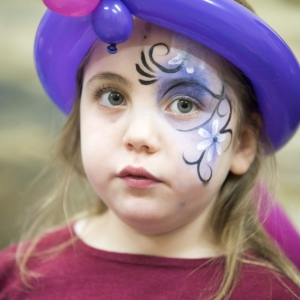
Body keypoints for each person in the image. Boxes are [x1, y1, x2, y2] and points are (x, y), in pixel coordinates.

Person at [1, 0, 300, 299]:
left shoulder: (271, 293)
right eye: (113, 97)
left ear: (243, 144)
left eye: (185, 104)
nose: (138, 135)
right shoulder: (18, 277)